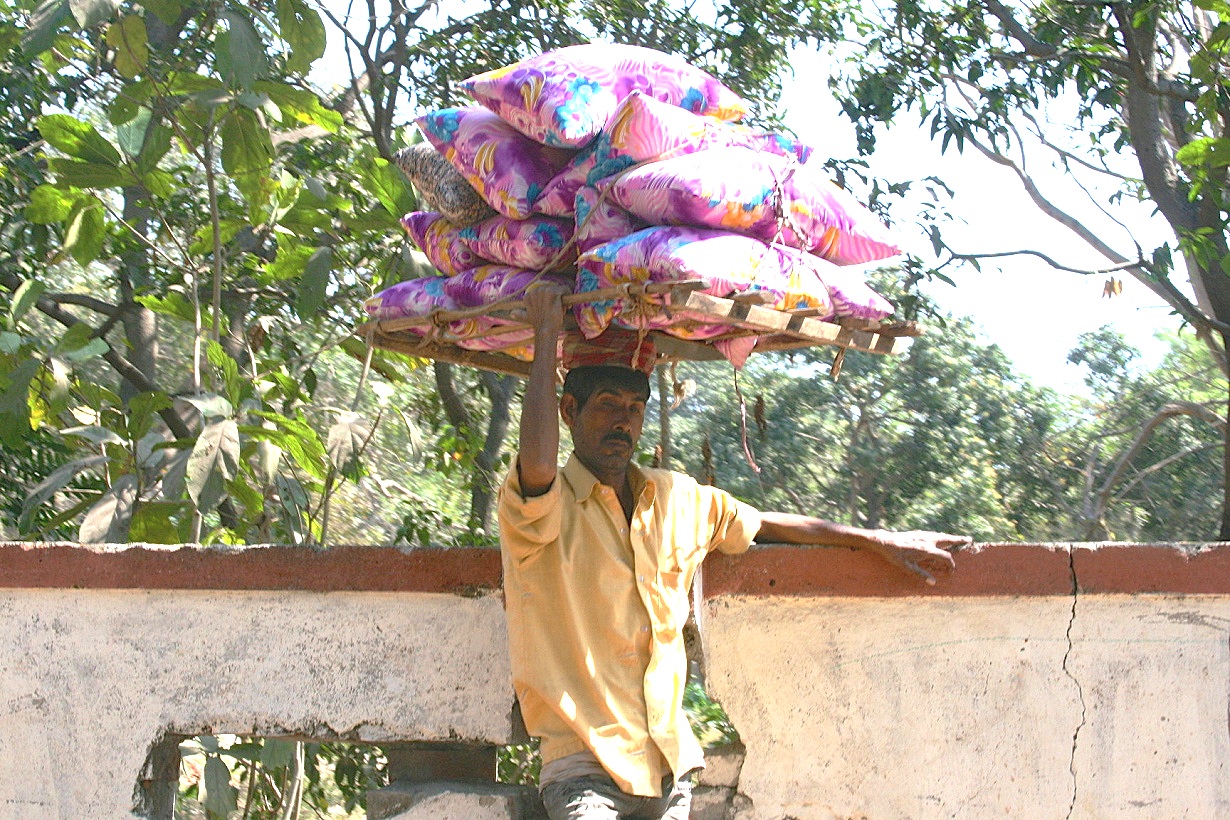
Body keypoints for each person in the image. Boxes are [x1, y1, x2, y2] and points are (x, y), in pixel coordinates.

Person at [497, 285, 972, 819]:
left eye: (634, 407)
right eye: (607, 404)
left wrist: (878, 540)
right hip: (583, 768)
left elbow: (768, 524)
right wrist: (545, 334)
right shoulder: (541, 507)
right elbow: (536, 464)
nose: (623, 421)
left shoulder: (676, 497)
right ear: (568, 410)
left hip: (668, 769)